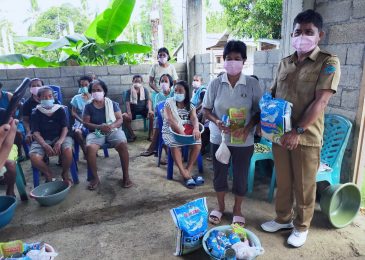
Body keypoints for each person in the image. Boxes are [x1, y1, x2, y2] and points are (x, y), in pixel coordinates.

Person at [260, 10, 341, 247]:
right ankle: (283, 218)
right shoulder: (285, 62)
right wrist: (261, 119)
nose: (302, 36)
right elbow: (272, 94)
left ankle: (301, 226)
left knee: (304, 186)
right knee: (284, 182)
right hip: (279, 136)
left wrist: (297, 131)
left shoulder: (328, 62)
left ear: (319, 35)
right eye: (298, 32)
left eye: (308, 32)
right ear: (291, 34)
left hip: (305, 137)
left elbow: (321, 101)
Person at [203, 40, 262, 227]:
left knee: (240, 175)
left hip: (244, 140)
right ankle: (220, 207)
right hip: (219, 138)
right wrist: (217, 121)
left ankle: (237, 209)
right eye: (229, 58)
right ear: (224, 60)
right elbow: (205, 110)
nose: (232, 62)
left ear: (244, 60)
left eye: (237, 58)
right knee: (219, 174)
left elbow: (260, 112)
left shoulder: (252, 84)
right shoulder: (215, 84)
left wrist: (247, 128)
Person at [83, 80, 132, 190]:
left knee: (123, 145)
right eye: (93, 90)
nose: (96, 92)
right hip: (96, 131)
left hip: (113, 129)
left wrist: (111, 126)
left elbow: (120, 119)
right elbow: (86, 123)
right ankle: (95, 178)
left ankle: (126, 176)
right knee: (90, 148)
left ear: (104, 91)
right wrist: (100, 127)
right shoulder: (89, 106)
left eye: (99, 90)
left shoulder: (112, 104)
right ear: (90, 92)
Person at [162, 80, 203, 188]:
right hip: (170, 130)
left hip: (185, 130)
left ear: (186, 93)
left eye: (180, 91)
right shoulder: (169, 103)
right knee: (175, 145)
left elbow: (194, 118)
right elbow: (169, 120)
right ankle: (184, 173)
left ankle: (187, 170)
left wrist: (196, 128)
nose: (177, 93)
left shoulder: (190, 106)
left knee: (198, 143)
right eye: (175, 90)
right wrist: (181, 132)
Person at [29, 87, 73, 184]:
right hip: (43, 139)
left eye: (50, 96)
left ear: (53, 97)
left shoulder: (60, 109)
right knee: (34, 157)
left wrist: (59, 142)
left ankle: (65, 173)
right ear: (39, 99)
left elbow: (65, 128)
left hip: (60, 137)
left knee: (68, 150)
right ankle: (48, 174)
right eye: (44, 97)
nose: (48, 99)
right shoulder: (35, 112)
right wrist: (44, 144)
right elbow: (35, 132)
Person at [140, 74, 174, 158]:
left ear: (170, 83)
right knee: (158, 121)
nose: (163, 83)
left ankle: (153, 148)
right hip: (162, 119)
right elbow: (157, 111)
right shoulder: (158, 95)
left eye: (166, 81)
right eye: (162, 81)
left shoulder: (174, 93)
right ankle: (163, 149)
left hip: (173, 119)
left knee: (158, 123)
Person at [123, 75, 154, 141]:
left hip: (143, 109)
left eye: (139, 81)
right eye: (135, 81)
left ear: (142, 82)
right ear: (132, 82)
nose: (137, 82)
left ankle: (150, 135)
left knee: (151, 114)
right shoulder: (129, 91)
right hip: (133, 110)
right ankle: (132, 135)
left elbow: (148, 101)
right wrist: (129, 113)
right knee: (124, 116)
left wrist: (149, 110)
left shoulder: (145, 90)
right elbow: (127, 102)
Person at [0, 82, 25, 160]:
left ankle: (19, 152)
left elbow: (21, 106)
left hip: (13, 120)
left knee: (17, 132)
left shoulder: (8, 96)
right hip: (1, 123)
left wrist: (18, 118)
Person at [70, 76, 93, 158]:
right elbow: (73, 112)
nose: (84, 87)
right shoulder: (76, 98)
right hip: (80, 122)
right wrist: (82, 121)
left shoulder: (95, 97)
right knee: (77, 132)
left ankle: (92, 150)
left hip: (93, 123)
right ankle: (85, 151)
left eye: (86, 85)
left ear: (90, 85)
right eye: (82, 85)